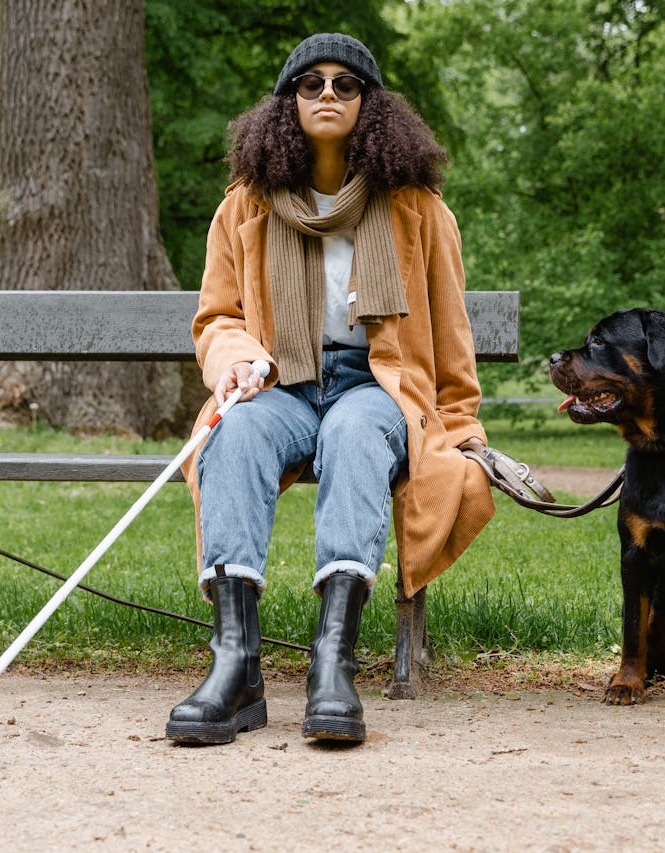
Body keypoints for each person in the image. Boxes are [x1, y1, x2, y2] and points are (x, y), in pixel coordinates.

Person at [167, 33, 495, 746]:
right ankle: (236, 665)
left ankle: (331, 662)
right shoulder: (245, 206)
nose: (326, 95)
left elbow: (449, 329)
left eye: (346, 84)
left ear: (372, 106)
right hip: (277, 378)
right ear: (286, 104)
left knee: (354, 435)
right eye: (309, 83)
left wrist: (462, 424)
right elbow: (218, 316)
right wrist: (238, 356)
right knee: (233, 433)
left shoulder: (417, 208)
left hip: (372, 382)